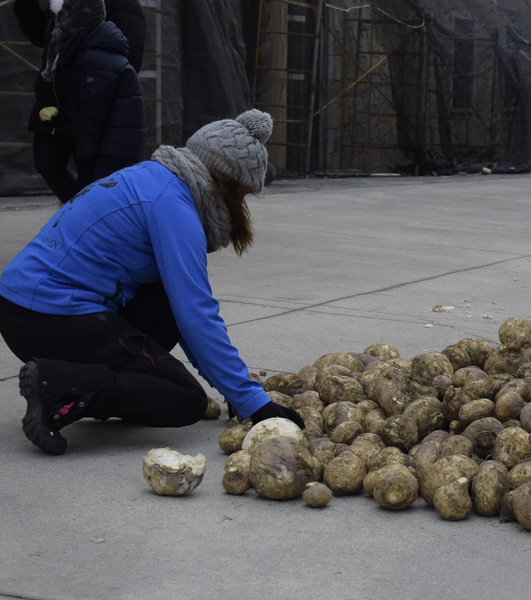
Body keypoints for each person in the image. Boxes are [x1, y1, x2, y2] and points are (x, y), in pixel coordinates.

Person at [0, 109, 306, 456]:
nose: (242, 204)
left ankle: (82, 379)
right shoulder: (173, 207)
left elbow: (180, 310)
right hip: (49, 318)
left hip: (24, 308)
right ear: (226, 182)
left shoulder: (152, 178)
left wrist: (234, 390)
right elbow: (197, 314)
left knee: (163, 298)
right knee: (184, 400)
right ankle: (56, 386)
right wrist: (256, 404)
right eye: (244, 194)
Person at [14, 0, 147, 203]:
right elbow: (42, 35)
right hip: (56, 100)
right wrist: (26, 6)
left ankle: (86, 220)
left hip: (93, 102)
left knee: (91, 174)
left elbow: (129, 56)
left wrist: (87, 72)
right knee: (47, 163)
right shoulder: (61, 3)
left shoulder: (123, 4)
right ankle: (79, 214)